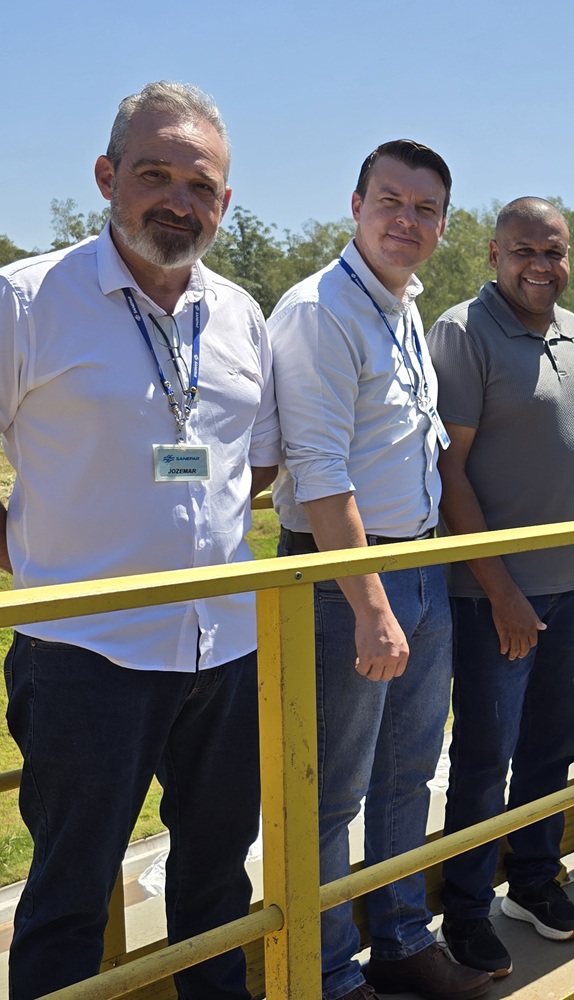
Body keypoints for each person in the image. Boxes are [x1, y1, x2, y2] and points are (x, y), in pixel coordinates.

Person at [0, 81, 276, 1000]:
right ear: (106, 176)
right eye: (155, 175)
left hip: (224, 647)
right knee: (70, 896)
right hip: (86, 653)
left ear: (224, 203)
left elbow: (251, 465)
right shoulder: (28, 301)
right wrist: (36, 554)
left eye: (201, 186)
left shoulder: (239, 314)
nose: (178, 202)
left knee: (217, 884)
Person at [269, 140, 490, 1000]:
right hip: (347, 582)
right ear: (355, 206)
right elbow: (320, 472)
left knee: (407, 774)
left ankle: (399, 939)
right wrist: (370, 605)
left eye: (426, 208)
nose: (408, 220)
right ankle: (327, 972)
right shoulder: (321, 310)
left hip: (418, 565)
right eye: (390, 201)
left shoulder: (400, 306)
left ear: (443, 225)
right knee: (331, 788)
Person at [427, 198, 574, 975]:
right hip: (495, 595)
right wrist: (501, 591)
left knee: (552, 744)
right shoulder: (464, 332)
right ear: (493, 252)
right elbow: (450, 472)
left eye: (555, 251)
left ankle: (533, 881)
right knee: (485, 755)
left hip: (570, 583)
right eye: (525, 250)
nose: (541, 265)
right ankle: (466, 910)